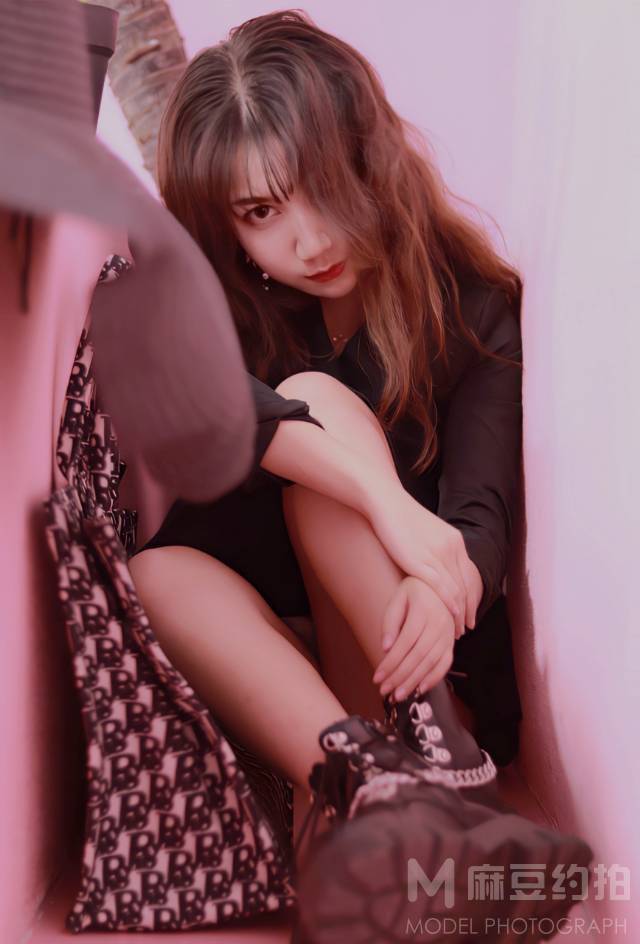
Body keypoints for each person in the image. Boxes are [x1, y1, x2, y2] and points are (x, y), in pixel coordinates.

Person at [126, 11, 592, 940]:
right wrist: (387, 503)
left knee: (313, 408)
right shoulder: (225, 307)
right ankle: (388, 802)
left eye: (319, 187)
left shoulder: (473, 307)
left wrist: (437, 580)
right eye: (260, 214)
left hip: (411, 665)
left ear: (368, 157)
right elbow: (221, 406)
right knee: (156, 569)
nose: (305, 241)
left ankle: (433, 783)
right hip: (299, 714)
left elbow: (482, 522)